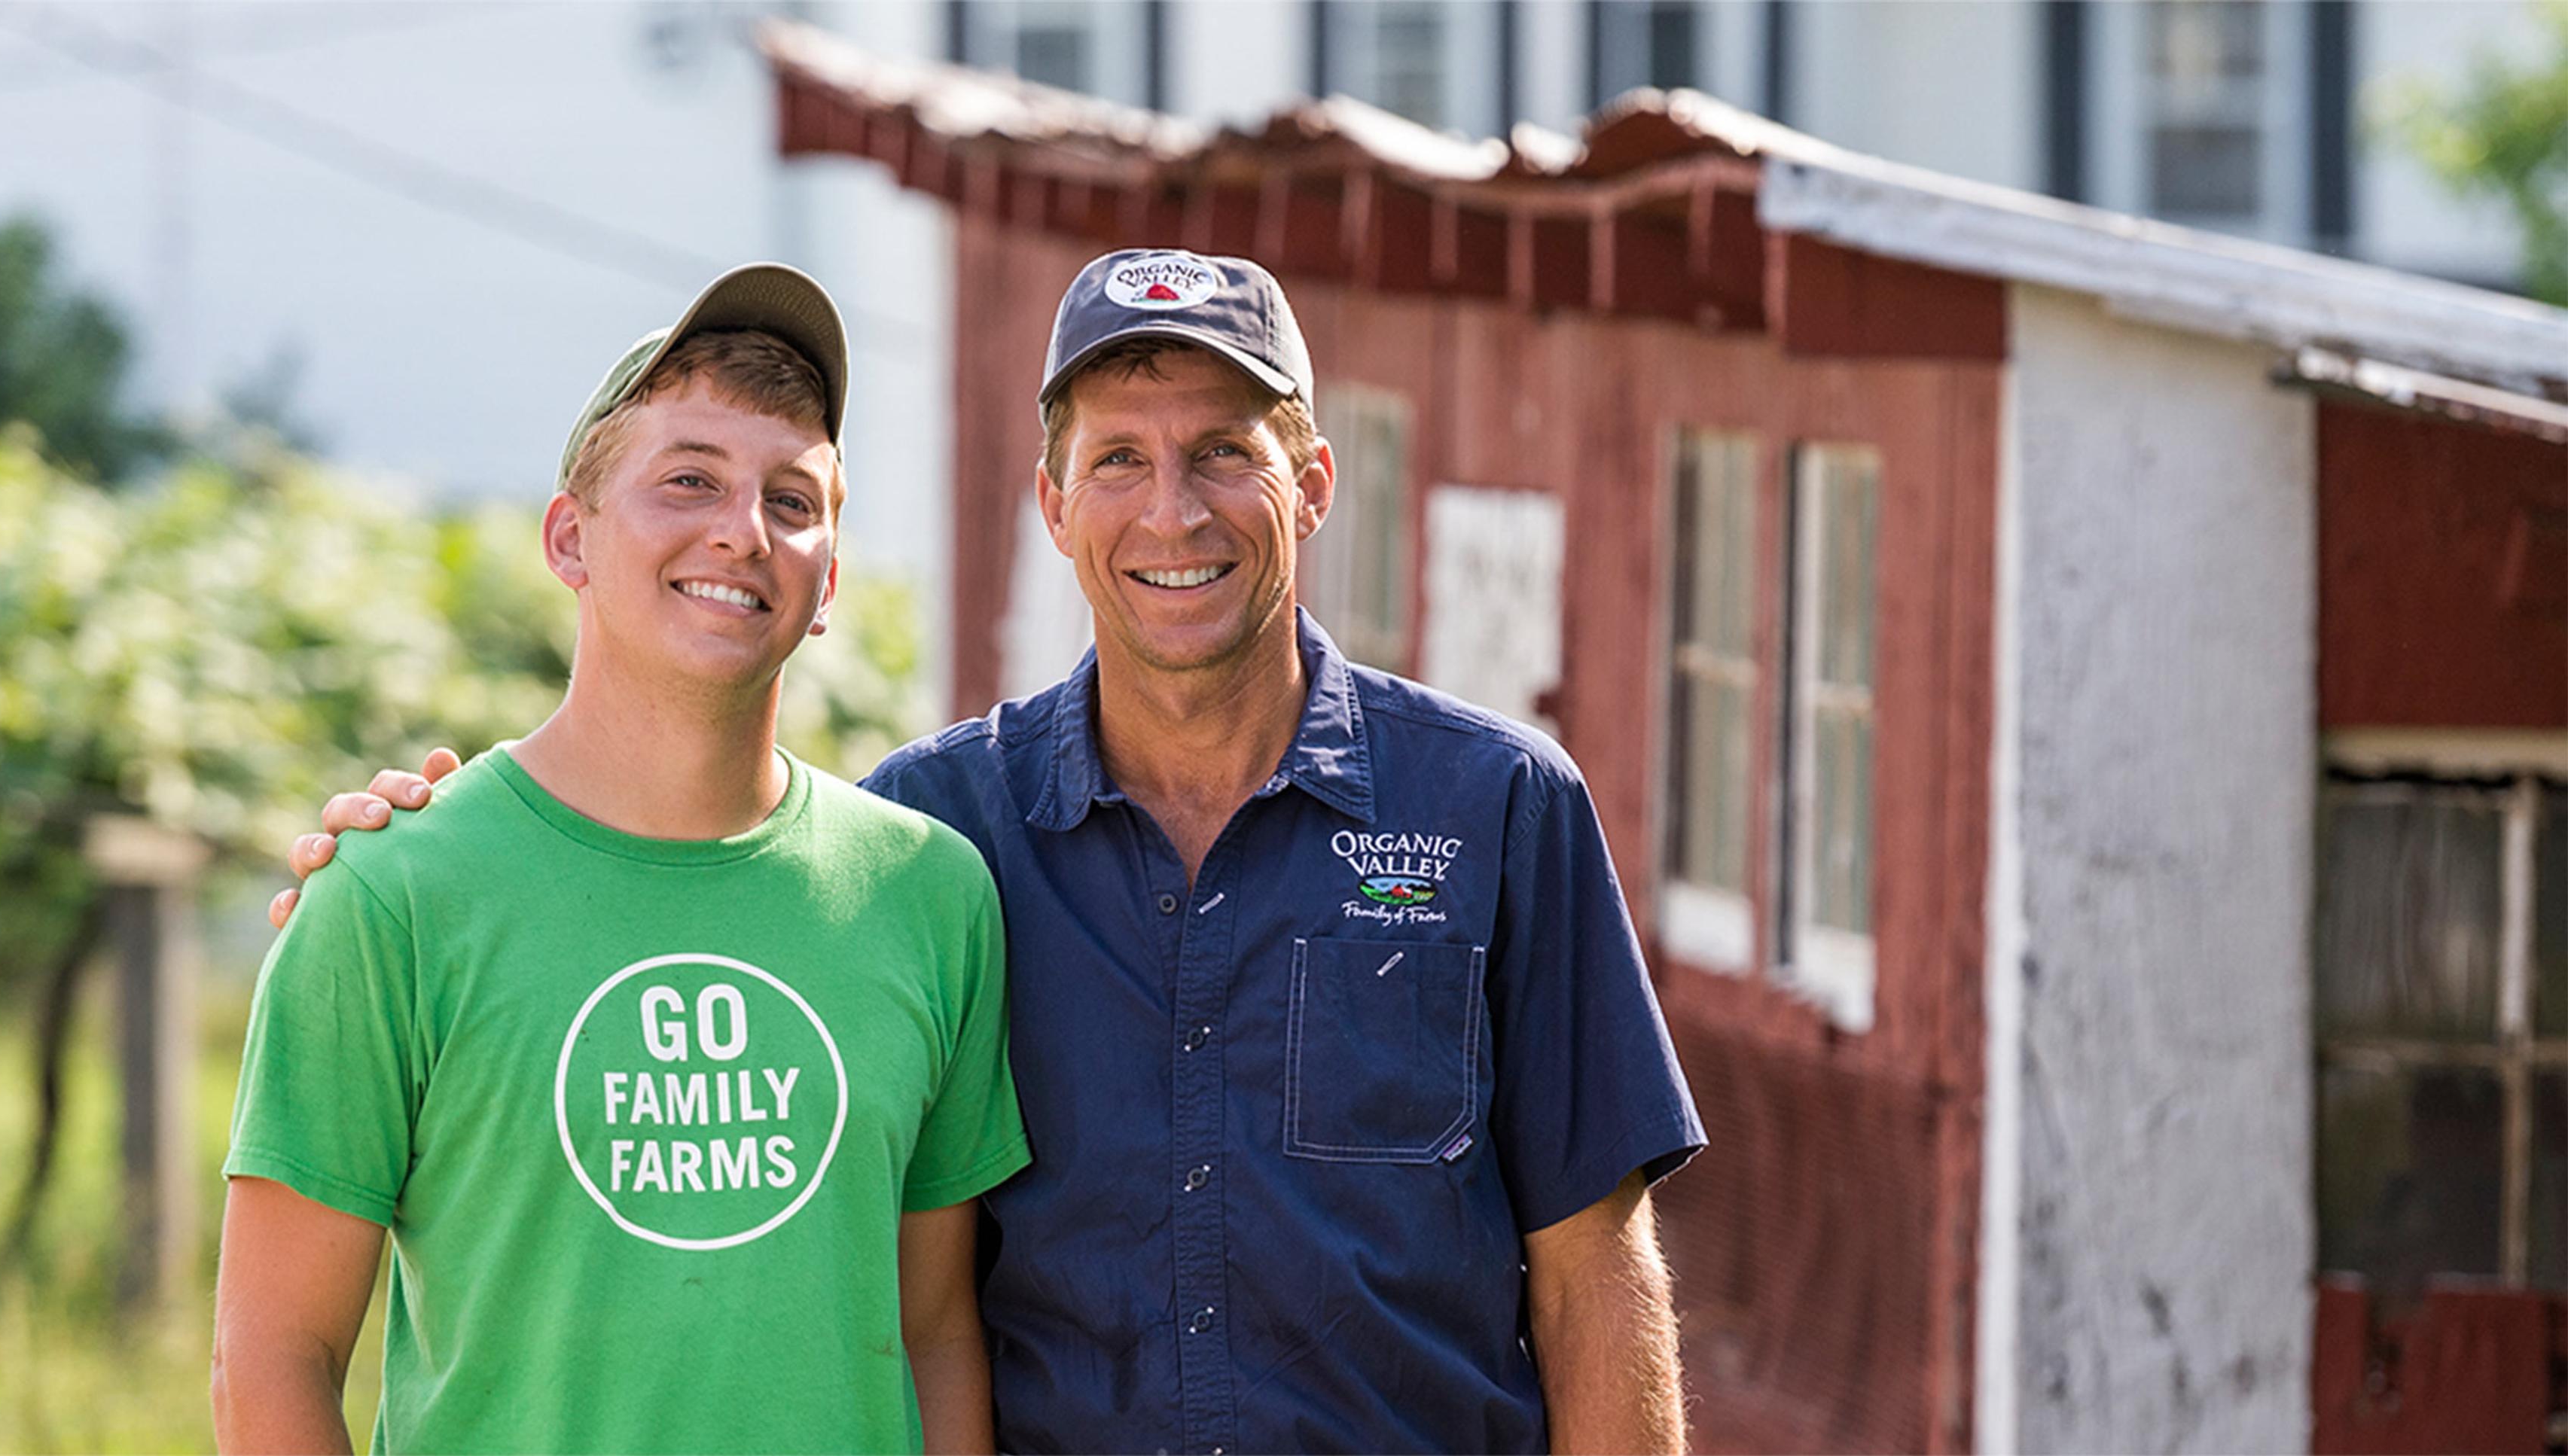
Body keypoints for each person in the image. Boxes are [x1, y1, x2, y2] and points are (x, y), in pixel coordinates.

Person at [279, 249, 1703, 1454]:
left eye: (1225, 453)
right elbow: (672, 861)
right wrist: (416, 853)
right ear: (1054, 503)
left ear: (1314, 482)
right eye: (1121, 461)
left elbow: (1592, 1270)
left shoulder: (1496, 806)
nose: (1174, 511)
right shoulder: (934, 844)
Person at [213, 263, 1029, 1456]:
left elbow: (936, 1329)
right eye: (688, 477)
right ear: (570, 538)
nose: (741, 530)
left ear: (830, 579)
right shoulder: (392, 893)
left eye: (792, 500)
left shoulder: (929, 895)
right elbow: (272, 1362)